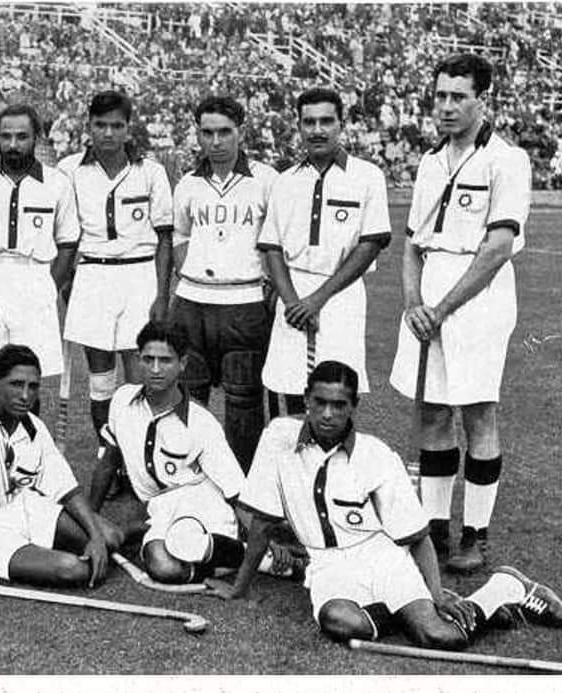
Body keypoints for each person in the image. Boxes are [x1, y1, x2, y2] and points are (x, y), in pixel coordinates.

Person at [211, 361, 562, 648]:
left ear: (354, 407)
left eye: (339, 405)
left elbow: (418, 538)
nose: (328, 414)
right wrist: (239, 588)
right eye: (320, 402)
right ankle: (423, 611)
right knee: (340, 621)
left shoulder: (376, 455)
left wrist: (434, 595)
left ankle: (504, 588)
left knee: (439, 636)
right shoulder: (277, 438)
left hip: (383, 558)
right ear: (306, 399)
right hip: (327, 565)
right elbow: (261, 524)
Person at [389, 54, 532, 573]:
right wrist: (412, 305)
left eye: (458, 97)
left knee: (476, 411)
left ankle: (475, 534)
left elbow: (497, 248)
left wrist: (442, 307)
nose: (446, 107)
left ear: (482, 99)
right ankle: (433, 531)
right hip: (426, 303)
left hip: (478, 303)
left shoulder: (507, 159)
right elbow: (410, 244)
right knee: (431, 411)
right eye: (440, 96)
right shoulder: (430, 160)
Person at [90, 321, 305, 584]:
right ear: (137, 360)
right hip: (158, 508)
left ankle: (264, 558)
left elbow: (237, 492)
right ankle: (228, 558)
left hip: (202, 503)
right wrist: (90, 520)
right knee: (163, 565)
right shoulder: (122, 400)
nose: (156, 369)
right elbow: (108, 462)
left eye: (166, 360)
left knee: (178, 549)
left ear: (182, 363)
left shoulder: (201, 421)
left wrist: (263, 537)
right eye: (148, 359)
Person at [0, 344, 122, 610]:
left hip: (22, 508)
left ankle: (123, 534)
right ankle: (34, 554)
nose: (25, 395)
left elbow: (67, 489)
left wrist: (95, 537)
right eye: (16, 384)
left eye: (33, 387)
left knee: (111, 537)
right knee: (73, 570)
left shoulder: (34, 425)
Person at [259, 87, 391, 409]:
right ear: (299, 126)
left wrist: (318, 299)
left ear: (341, 124)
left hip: (340, 293)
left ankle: (335, 460)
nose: (317, 130)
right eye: (309, 122)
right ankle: (294, 457)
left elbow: (371, 243)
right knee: (290, 386)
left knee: (339, 389)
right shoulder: (285, 180)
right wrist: (292, 301)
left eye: (326, 121)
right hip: (293, 292)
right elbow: (272, 246)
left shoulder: (367, 176)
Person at [56, 90, 174, 448]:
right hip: (92, 275)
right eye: (100, 125)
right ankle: (108, 453)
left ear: (128, 128)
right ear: (89, 126)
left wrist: (160, 295)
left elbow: (165, 238)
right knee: (101, 376)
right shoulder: (69, 169)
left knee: (139, 373)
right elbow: (62, 235)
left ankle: (138, 451)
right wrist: (65, 284)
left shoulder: (150, 171)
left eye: (116, 126)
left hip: (138, 275)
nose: (108, 133)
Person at [170, 96, 278, 472]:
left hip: (244, 301)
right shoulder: (188, 183)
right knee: (188, 395)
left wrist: (268, 286)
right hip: (191, 302)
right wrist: (192, 270)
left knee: (244, 398)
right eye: (207, 133)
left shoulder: (265, 180)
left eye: (224, 132)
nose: (215, 141)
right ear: (198, 135)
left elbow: (277, 241)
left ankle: (242, 483)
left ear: (241, 133)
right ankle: (189, 477)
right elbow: (179, 236)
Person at [0, 104, 80, 406]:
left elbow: (68, 243)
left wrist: (48, 288)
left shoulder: (57, 183)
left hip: (35, 277)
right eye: (5, 136)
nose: (13, 144)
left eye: (22, 137)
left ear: (36, 138)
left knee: (27, 381)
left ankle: (26, 451)